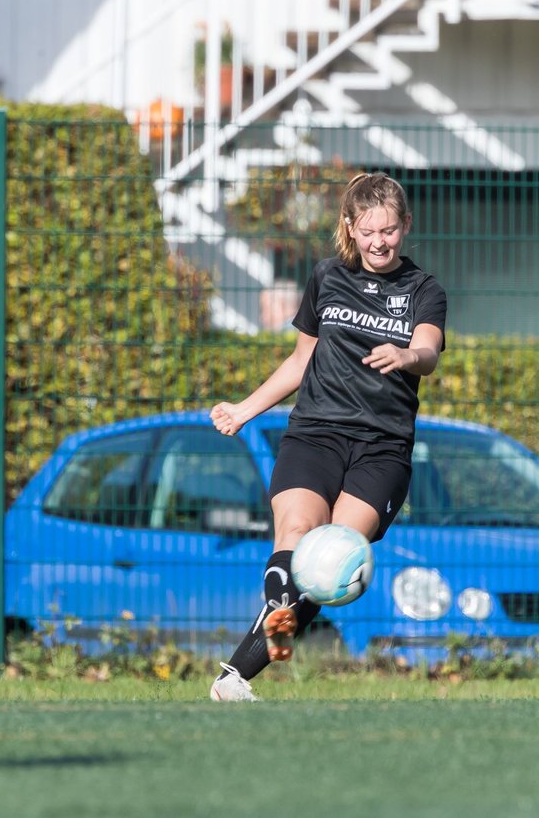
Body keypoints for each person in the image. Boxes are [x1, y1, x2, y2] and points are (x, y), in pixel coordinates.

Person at [208, 172, 447, 701]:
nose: (379, 242)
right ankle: (245, 665)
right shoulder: (326, 277)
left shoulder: (423, 290)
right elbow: (301, 360)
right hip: (314, 433)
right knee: (295, 533)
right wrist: (245, 409)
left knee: (332, 561)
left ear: (405, 226)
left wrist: (408, 355)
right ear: (350, 227)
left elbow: (428, 350)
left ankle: (237, 673)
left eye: (389, 230)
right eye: (368, 231)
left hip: (382, 448)